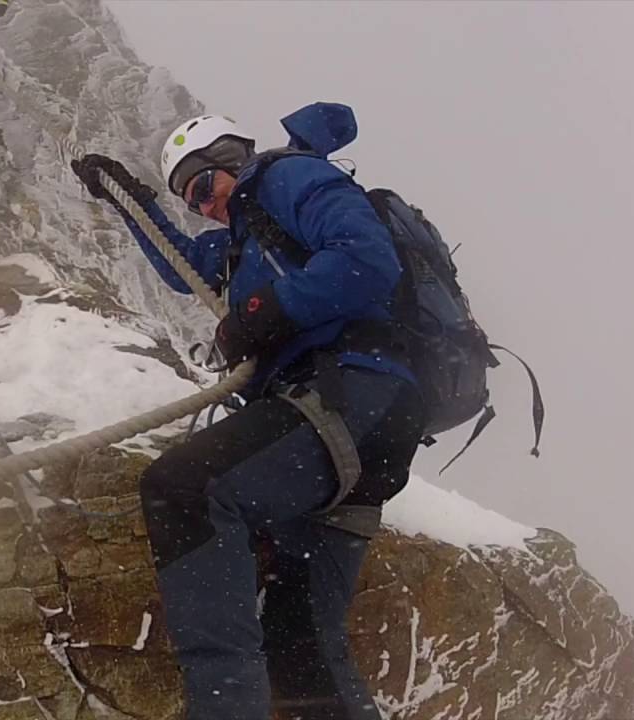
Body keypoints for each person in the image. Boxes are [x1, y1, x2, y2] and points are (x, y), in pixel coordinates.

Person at [71, 104, 425, 720]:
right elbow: (181, 263)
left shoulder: (288, 178)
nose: (203, 205)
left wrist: (263, 311)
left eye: (204, 185)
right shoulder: (242, 245)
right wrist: (133, 204)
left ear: (232, 159)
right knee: (300, 644)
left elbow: (366, 257)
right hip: (364, 424)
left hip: (350, 391)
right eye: (190, 199)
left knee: (186, 489)